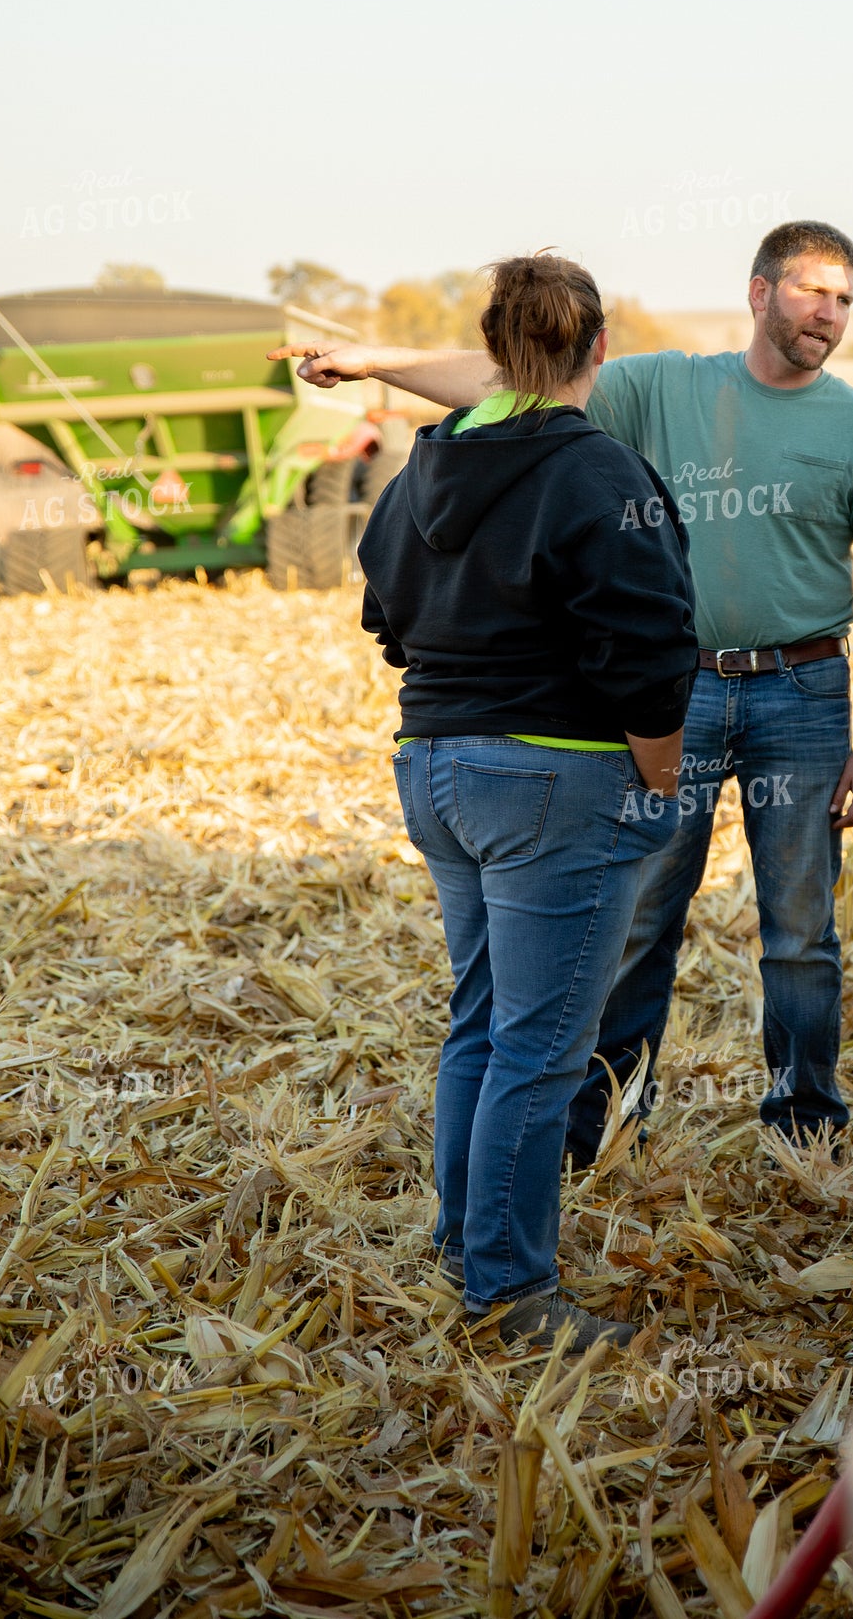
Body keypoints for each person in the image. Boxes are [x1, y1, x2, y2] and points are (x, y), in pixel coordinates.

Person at [294, 219, 853, 1156]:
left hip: (803, 694)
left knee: (800, 929)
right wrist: (372, 363)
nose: (827, 313)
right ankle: (602, 1116)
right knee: (636, 920)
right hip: (676, 695)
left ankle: (805, 1119)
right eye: (810, 292)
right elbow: (516, 377)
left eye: (843, 298)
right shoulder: (662, 387)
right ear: (759, 294)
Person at [354, 253, 697, 1354]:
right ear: (598, 350)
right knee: (544, 1048)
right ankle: (511, 1293)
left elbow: (384, 608)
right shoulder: (602, 473)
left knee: (482, 1022)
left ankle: (469, 1245)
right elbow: (649, 646)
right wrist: (659, 769)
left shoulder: (422, 470)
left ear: (496, 355)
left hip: (435, 765)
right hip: (556, 775)